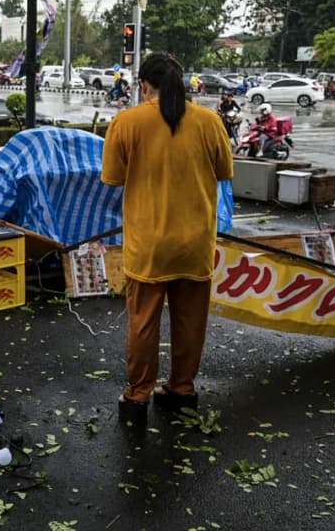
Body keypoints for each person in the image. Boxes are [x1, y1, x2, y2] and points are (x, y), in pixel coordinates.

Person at [101, 52, 233, 418]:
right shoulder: (209, 121)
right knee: (190, 320)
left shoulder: (127, 122)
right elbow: (224, 172)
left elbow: (113, 178)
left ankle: (138, 395)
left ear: (144, 85)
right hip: (196, 242)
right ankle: (182, 389)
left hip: (149, 244)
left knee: (143, 321)